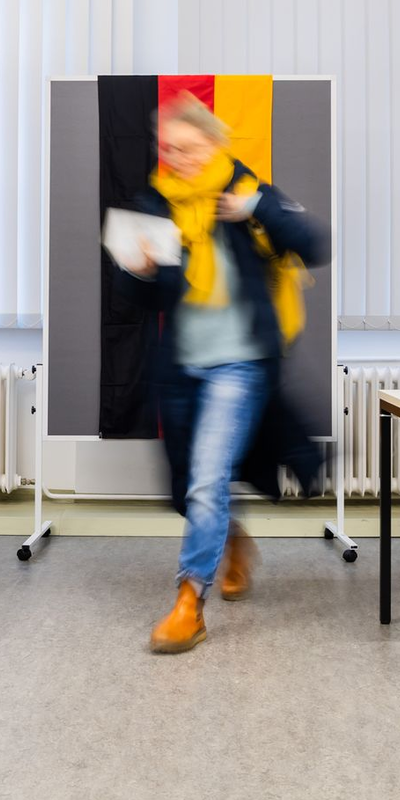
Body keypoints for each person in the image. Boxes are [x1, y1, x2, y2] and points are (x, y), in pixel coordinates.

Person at [117, 92, 329, 653]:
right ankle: (231, 539)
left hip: (241, 364)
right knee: (188, 484)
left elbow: (314, 244)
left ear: (214, 143)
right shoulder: (156, 204)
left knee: (208, 477)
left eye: (188, 147)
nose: (178, 159)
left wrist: (255, 207)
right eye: (168, 149)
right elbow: (135, 296)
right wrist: (139, 271)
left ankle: (189, 603)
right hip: (180, 368)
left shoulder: (247, 192)